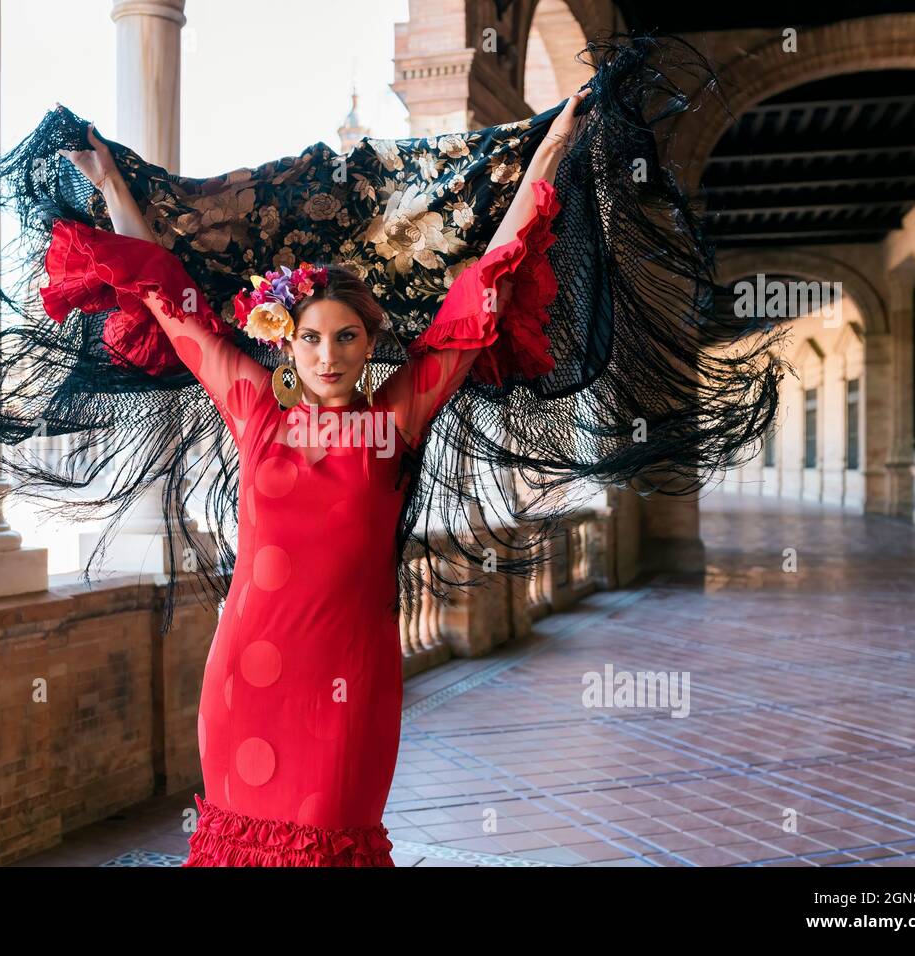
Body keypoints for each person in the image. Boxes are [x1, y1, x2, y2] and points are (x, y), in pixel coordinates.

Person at [44, 89, 590, 866]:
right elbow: (171, 300)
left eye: (346, 337)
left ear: (371, 345)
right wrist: (110, 189)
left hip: (348, 682)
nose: (327, 354)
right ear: (287, 346)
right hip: (246, 675)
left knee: (331, 835)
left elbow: (480, 295)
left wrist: (548, 157)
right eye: (310, 339)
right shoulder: (257, 415)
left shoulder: (395, 422)